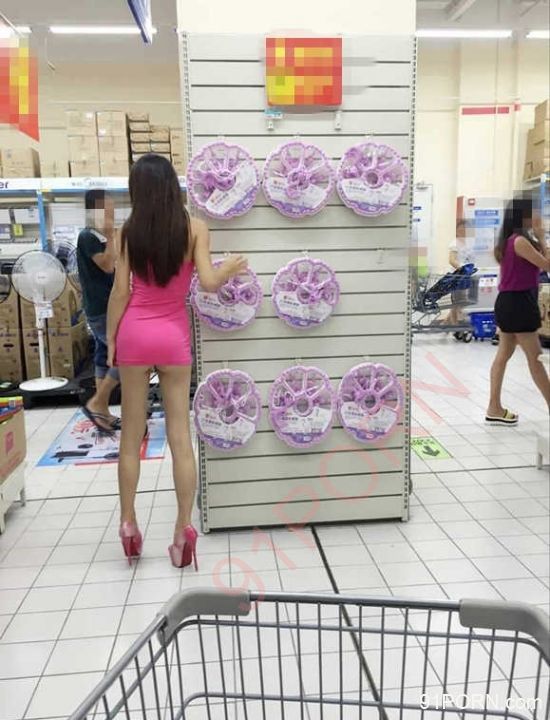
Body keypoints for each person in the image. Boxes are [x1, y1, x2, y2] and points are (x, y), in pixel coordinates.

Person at [107, 154, 247, 567]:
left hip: (134, 334)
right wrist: (229, 268)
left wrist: (112, 340)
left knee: (131, 437)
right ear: (173, 186)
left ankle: (128, 523)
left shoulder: (128, 232)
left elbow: (120, 292)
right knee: (180, 438)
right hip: (173, 337)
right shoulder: (195, 228)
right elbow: (208, 282)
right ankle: (183, 529)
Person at [486, 196, 550, 424]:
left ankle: (494, 407)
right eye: (533, 212)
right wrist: (542, 237)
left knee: (503, 354)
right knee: (536, 358)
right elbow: (547, 265)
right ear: (524, 216)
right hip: (519, 304)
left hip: (509, 301)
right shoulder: (520, 241)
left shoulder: (509, 241)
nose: (537, 216)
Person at [77, 190, 121, 433]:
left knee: (104, 355)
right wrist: (112, 235)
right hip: (102, 309)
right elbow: (107, 266)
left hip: (104, 307)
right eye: (107, 208)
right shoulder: (88, 236)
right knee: (125, 354)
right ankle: (97, 402)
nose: (111, 213)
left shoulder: (99, 236)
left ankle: (102, 412)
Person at [447, 218, 475, 326]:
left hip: (467, 276)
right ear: (457, 230)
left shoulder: (469, 243)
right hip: (458, 276)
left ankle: (449, 322)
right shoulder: (454, 243)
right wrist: (462, 269)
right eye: (461, 229)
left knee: (460, 300)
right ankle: (455, 324)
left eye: (465, 228)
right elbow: (452, 260)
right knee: (458, 301)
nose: (463, 230)